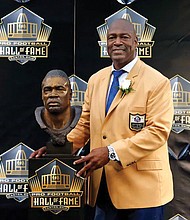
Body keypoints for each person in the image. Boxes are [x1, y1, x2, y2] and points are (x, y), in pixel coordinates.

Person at [67, 18, 174, 220]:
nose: (117, 42)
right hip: (103, 189)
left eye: (124, 37)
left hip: (143, 193)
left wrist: (111, 152)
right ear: (106, 43)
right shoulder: (96, 80)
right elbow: (85, 125)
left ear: (136, 42)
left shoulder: (157, 82)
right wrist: (58, 148)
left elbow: (157, 132)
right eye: (112, 37)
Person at [29, 69, 83, 158]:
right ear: (42, 95)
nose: (53, 94)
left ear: (70, 94)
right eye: (48, 90)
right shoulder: (38, 117)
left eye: (59, 89)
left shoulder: (81, 117)